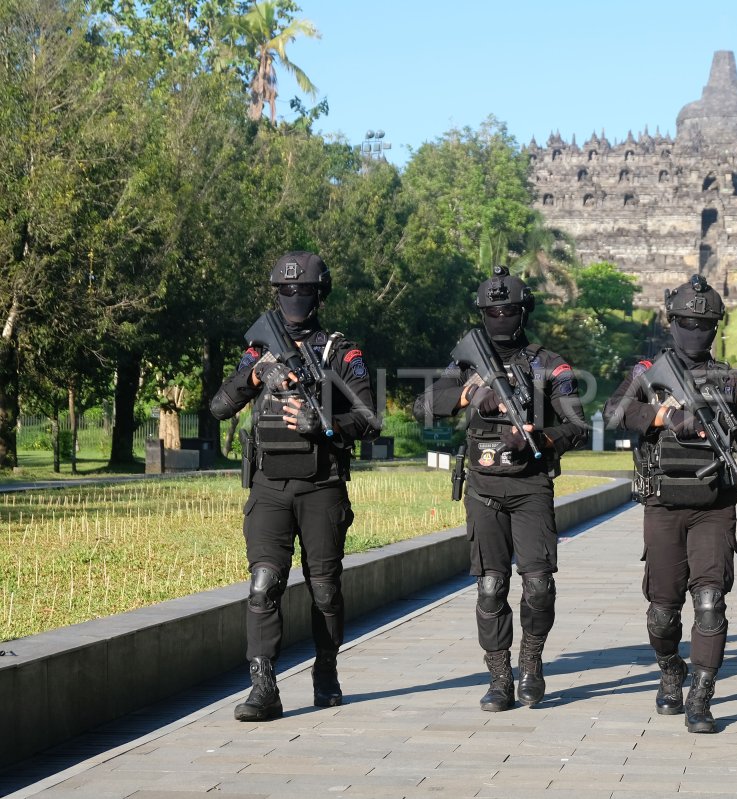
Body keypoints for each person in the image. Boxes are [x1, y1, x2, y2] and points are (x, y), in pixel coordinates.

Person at [210, 251, 379, 721]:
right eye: (286, 290)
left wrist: (323, 423)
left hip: (322, 485)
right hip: (268, 485)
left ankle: (326, 671)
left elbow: (370, 420)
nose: (294, 298)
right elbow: (219, 407)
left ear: (320, 294)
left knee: (324, 589)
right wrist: (255, 374)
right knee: (264, 585)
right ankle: (264, 688)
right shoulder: (258, 348)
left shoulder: (342, 353)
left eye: (303, 290)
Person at [413, 266, 588, 712]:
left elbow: (578, 426)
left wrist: (541, 438)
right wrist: (471, 396)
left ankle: (531, 661)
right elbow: (424, 408)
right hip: (484, 487)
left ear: (523, 311)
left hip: (531, 486)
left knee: (538, 586)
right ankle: (498, 676)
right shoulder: (466, 363)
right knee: (491, 586)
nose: (501, 317)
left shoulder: (550, 364)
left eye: (509, 309)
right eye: (493, 311)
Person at [602, 274, 737, 734]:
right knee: (662, 609)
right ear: (672, 322)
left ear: (715, 328)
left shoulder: (735, 383)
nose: (696, 330)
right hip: (662, 503)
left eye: (705, 323)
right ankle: (670, 669)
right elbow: (611, 415)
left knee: (711, 602)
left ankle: (701, 695)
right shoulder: (646, 374)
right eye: (687, 322)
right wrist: (662, 415)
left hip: (714, 505)